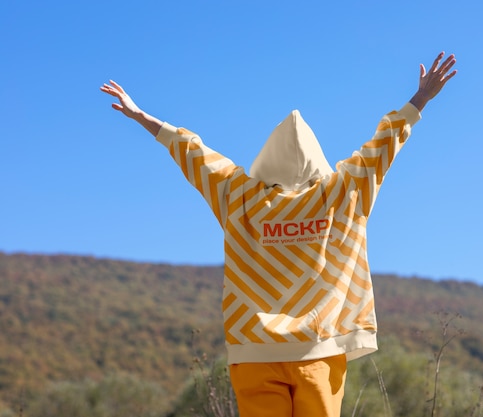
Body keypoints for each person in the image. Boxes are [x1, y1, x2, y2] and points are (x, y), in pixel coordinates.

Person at [101, 51, 457, 417]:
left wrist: (141, 116)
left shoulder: (237, 195)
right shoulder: (343, 192)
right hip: (319, 350)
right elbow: (383, 146)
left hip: (252, 352)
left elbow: (192, 152)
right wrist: (420, 99)